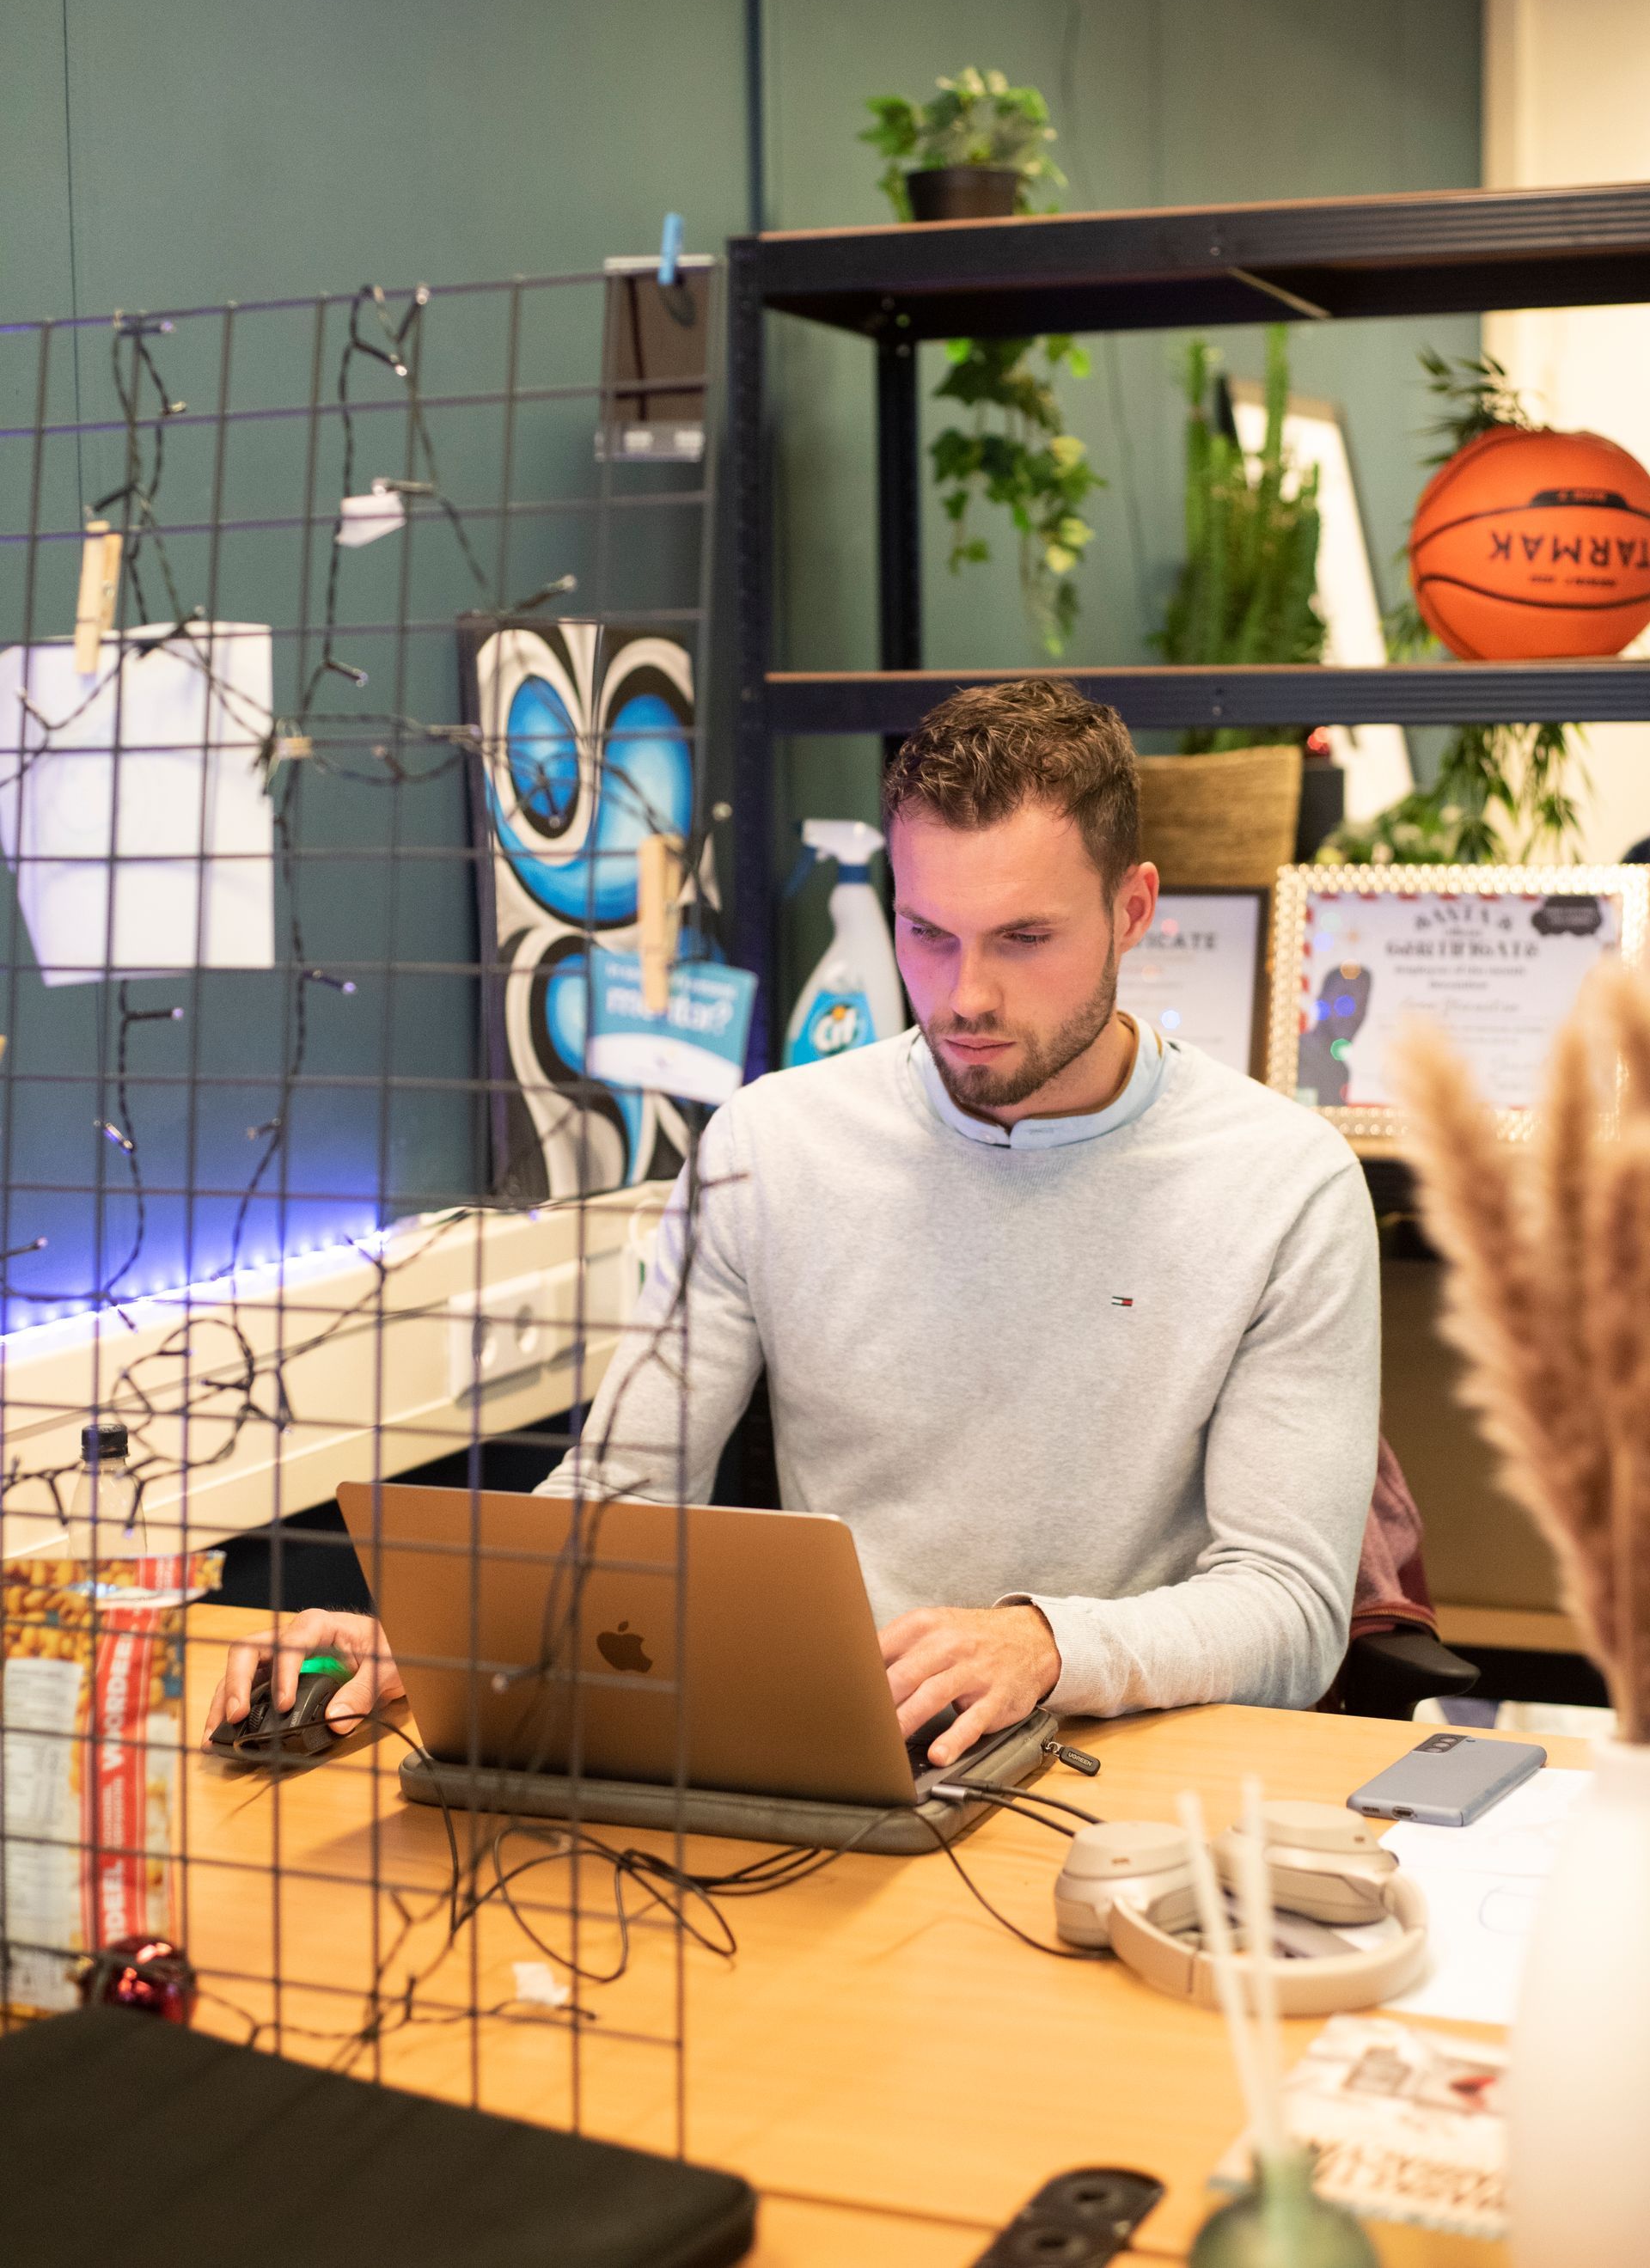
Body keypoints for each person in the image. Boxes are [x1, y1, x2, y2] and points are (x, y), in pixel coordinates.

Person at [206, 680, 1379, 1768]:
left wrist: (1045, 1645)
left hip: (1126, 1759)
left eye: (1024, 939)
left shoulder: (1283, 1186)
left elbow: (1290, 1611)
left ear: (1133, 911)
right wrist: (427, 1631)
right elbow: (625, 1487)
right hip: (844, 1747)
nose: (966, 994)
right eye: (928, 933)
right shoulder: (774, 1147)